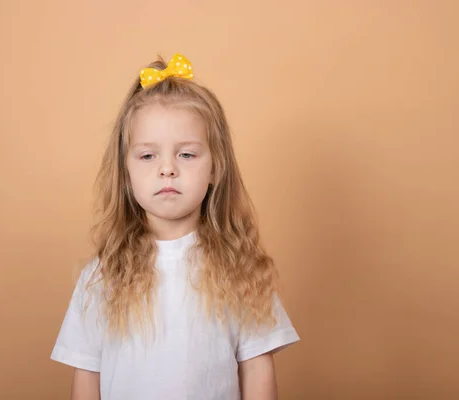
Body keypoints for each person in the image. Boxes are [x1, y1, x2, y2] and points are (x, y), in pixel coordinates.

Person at [50, 53, 300, 400]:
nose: (167, 169)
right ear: (126, 173)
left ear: (215, 169)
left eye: (186, 154)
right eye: (148, 156)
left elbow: (258, 370)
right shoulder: (102, 276)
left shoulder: (240, 270)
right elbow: (87, 374)